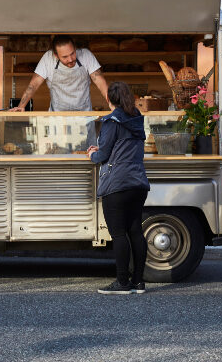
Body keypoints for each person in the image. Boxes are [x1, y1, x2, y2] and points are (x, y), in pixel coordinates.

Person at [87, 81, 150, 295]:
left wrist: (92, 154)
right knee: (135, 232)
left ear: (109, 99)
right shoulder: (137, 119)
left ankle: (123, 283)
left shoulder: (111, 122)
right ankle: (139, 282)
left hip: (117, 183)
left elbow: (102, 155)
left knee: (118, 234)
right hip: (138, 183)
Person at [9, 35, 108, 112]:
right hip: (58, 118)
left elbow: (100, 82)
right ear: (55, 55)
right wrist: (21, 106)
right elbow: (33, 85)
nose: (70, 59)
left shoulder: (86, 55)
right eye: (65, 57)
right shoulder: (48, 59)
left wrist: (112, 104)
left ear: (75, 48)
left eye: (72, 53)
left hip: (84, 117)